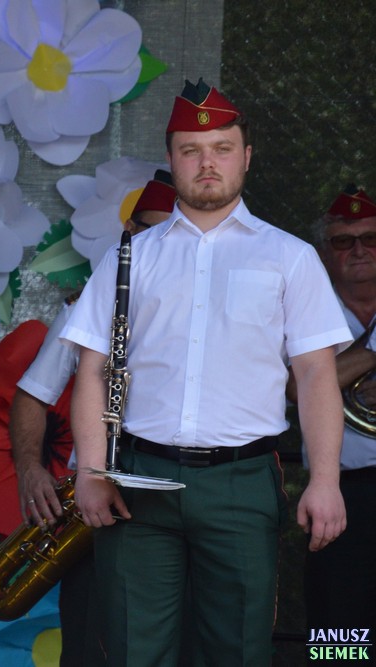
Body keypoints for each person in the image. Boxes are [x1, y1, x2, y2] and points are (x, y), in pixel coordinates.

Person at [61, 79, 350, 665]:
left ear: (246, 157)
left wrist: (325, 479)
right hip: (137, 480)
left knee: (236, 651)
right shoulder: (130, 256)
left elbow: (318, 377)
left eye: (222, 148)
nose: (207, 163)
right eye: (191, 150)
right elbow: (92, 370)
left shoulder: (290, 257)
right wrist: (91, 470)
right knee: (132, 650)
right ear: (172, 160)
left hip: (240, 482)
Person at [10, 170, 175, 667]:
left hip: (175, 497)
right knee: (89, 646)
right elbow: (32, 396)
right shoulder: (90, 303)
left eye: (174, 234)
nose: (161, 245)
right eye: (150, 230)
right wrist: (30, 469)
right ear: (129, 231)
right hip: (94, 503)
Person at [293, 184, 376, 644]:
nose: (359, 250)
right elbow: (295, 387)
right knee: (339, 628)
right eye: (344, 241)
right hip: (342, 493)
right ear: (325, 254)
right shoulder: (308, 312)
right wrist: (371, 354)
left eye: (371, 238)